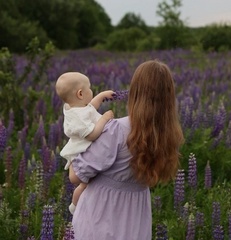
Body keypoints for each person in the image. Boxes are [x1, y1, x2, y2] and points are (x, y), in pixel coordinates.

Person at [69, 60, 184, 240]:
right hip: (136, 222)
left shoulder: (117, 130)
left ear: (136, 92)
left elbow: (76, 175)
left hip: (100, 219)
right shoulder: (168, 135)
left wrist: (76, 142)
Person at [55, 72, 114, 214]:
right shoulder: (79, 119)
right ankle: (74, 207)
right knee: (84, 185)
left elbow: (90, 108)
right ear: (80, 94)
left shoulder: (75, 108)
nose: (91, 91)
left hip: (82, 151)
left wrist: (101, 96)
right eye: (90, 89)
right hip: (80, 154)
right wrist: (104, 119)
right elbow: (92, 135)